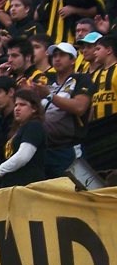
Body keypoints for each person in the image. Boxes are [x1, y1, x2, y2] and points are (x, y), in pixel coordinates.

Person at [30, 42, 93, 178]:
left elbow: (80, 107)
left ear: (73, 60)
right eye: (55, 55)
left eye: (62, 55)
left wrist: (50, 96)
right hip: (44, 150)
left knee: (75, 187)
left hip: (68, 148)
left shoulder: (82, 79)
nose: (57, 59)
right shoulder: (47, 82)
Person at [0, 90, 47, 187]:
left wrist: (2, 169)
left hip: (27, 187)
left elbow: (23, 156)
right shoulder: (19, 129)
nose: (17, 108)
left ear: (34, 108)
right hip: (14, 186)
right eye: (16, 105)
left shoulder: (34, 126)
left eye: (22, 105)